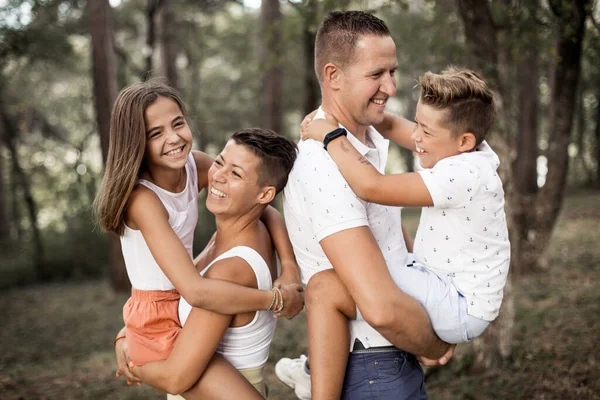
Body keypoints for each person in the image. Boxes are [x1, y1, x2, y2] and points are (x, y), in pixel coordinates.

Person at [301, 67, 511, 399]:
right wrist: (335, 110)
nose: (416, 138)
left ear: (464, 141)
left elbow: (372, 186)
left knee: (356, 283)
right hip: (452, 292)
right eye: (419, 124)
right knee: (354, 278)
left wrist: (330, 134)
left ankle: (315, 375)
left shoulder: (463, 175)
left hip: (459, 306)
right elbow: (395, 125)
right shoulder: (471, 148)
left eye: (426, 132)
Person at [275, 10, 452, 400]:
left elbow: (388, 233)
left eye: (393, 71)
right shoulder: (323, 165)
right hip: (371, 366)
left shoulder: (364, 136)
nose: (390, 86)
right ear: (333, 76)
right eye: (376, 74)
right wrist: (435, 344)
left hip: (392, 353)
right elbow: (381, 307)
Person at [93, 81, 302, 394]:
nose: (174, 138)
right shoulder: (143, 200)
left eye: (178, 123)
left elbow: (262, 205)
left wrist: (289, 267)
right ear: (137, 142)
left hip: (180, 295)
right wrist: (276, 300)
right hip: (161, 317)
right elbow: (194, 291)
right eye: (156, 133)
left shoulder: (195, 166)